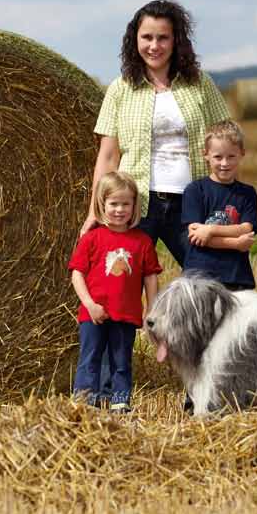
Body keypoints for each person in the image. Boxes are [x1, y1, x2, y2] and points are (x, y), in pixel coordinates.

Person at [83, 0, 229, 400]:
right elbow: (109, 156)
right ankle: (115, 391)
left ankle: (204, 384)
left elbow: (223, 141)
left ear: (176, 40)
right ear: (135, 41)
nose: (154, 45)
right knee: (120, 295)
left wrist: (227, 200)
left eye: (163, 37)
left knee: (206, 289)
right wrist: (95, 211)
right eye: (147, 37)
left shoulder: (200, 85)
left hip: (192, 206)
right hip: (137, 205)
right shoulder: (121, 89)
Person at [68, 171, 161, 412]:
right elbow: (77, 273)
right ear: (102, 204)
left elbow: (150, 276)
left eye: (126, 204)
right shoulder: (92, 239)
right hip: (93, 312)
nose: (120, 210)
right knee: (90, 360)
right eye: (114, 204)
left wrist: (152, 308)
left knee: (121, 361)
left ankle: (119, 401)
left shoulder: (142, 242)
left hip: (126, 313)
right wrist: (89, 304)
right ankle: (86, 402)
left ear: (134, 206)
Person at [181, 119, 257, 291]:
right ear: (206, 155)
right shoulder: (195, 190)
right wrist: (236, 244)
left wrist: (210, 230)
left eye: (231, 156)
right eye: (218, 157)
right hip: (200, 277)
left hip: (237, 276)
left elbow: (246, 228)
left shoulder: (247, 193)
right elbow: (197, 238)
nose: (225, 163)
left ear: (242, 154)